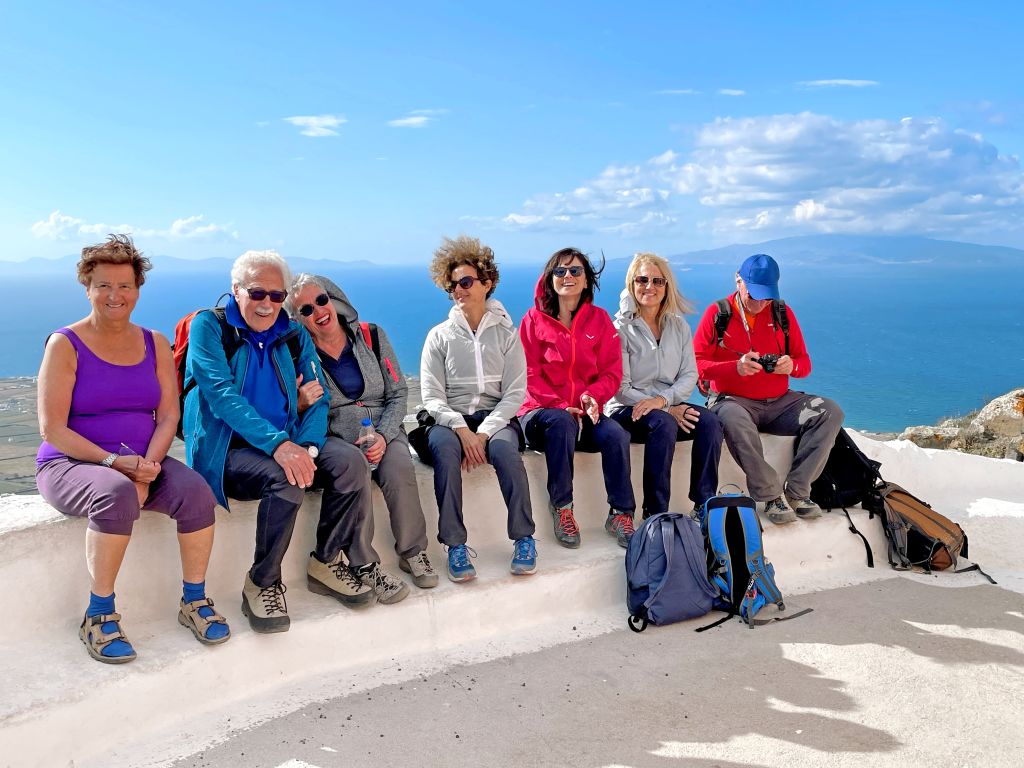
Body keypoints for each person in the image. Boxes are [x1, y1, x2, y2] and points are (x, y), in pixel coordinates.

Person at [183, 250, 405, 635]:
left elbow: (316, 399)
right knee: (285, 477)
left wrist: (308, 447)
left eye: (275, 295)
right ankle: (263, 582)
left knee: (349, 460)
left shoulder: (293, 333)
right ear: (236, 291)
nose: (267, 303)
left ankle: (325, 562)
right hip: (229, 451)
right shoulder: (210, 327)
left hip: (290, 442)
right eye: (257, 293)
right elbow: (221, 395)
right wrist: (280, 447)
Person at [36, 234, 229, 664]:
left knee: (197, 492)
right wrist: (113, 464)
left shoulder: (155, 343)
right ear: (87, 287)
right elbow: (52, 429)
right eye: (104, 284)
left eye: (125, 285)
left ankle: (194, 601)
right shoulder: (65, 344)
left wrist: (149, 466)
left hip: (143, 460)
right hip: (72, 463)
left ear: (138, 289)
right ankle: (99, 615)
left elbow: (169, 416)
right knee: (115, 493)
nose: (115, 295)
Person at [287, 273, 436, 590]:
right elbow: (295, 410)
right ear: (298, 320)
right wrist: (299, 405)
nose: (318, 311)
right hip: (337, 439)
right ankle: (363, 563)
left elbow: (397, 393)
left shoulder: (372, 337)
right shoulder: (299, 356)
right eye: (306, 310)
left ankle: (413, 552)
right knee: (355, 472)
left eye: (321, 300)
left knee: (398, 468)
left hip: (385, 430)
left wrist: (383, 435)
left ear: (335, 300)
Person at [416, 235, 537, 582]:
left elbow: (515, 393)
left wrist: (483, 433)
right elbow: (432, 396)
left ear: (487, 283)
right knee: (444, 452)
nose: (459, 290)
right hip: (450, 422)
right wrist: (461, 429)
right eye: (452, 285)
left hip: (495, 421)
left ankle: (524, 538)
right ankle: (455, 545)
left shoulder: (507, 334)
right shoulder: (439, 336)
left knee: (507, 454)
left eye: (466, 282)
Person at [692, 253, 844, 524]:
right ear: (738, 280)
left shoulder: (782, 313)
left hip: (780, 401)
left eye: (767, 296)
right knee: (732, 418)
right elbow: (694, 364)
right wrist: (734, 367)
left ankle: (798, 491)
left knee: (830, 411)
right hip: (733, 400)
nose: (761, 303)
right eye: (754, 295)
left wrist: (791, 366)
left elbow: (805, 362)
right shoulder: (718, 314)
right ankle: (771, 495)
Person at [519, 247, 636, 549]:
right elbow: (527, 374)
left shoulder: (599, 321)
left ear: (587, 280)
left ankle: (621, 513)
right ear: (550, 279)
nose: (567, 276)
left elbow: (612, 372)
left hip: (585, 414)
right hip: (541, 415)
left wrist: (592, 398)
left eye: (575, 271)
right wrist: (560, 405)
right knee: (561, 423)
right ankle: (562, 508)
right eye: (560, 271)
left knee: (616, 435)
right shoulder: (533, 320)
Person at [606, 253, 724, 519]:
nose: (650, 287)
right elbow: (620, 388)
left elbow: (689, 376)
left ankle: (704, 504)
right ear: (631, 284)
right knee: (664, 423)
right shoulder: (620, 328)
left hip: (665, 406)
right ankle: (655, 512)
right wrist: (664, 407)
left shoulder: (679, 326)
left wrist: (663, 402)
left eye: (658, 281)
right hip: (627, 411)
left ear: (667, 286)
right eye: (643, 280)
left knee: (710, 423)